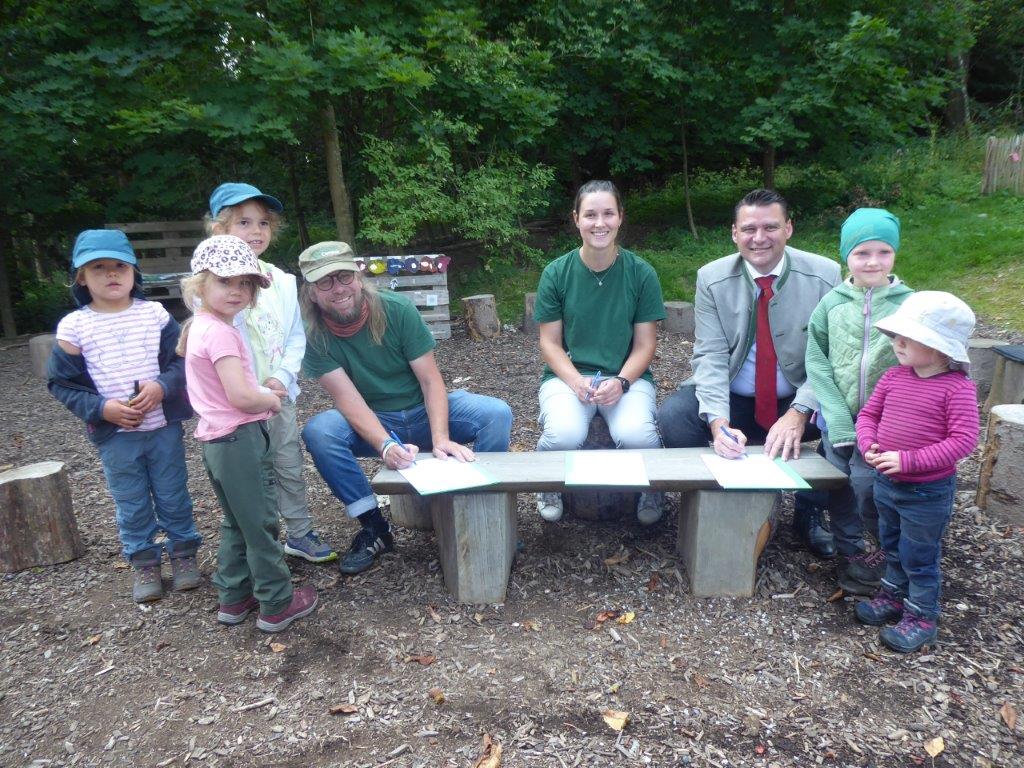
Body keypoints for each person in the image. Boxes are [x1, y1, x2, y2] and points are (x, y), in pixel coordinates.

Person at [298, 241, 513, 574]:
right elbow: (347, 399)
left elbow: (430, 381)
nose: (337, 288)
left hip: (420, 410)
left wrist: (440, 436)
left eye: (343, 276)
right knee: (319, 432)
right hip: (374, 420)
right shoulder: (313, 334)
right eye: (324, 282)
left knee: (496, 414)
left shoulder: (396, 309)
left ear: (358, 277)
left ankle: (476, 506)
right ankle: (374, 527)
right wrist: (385, 444)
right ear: (311, 292)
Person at [656, 188, 841, 557]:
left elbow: (829, 356)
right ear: (734, 233)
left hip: (796, 396)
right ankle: (710, 496)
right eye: (749, 229)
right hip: (735, 397)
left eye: (770, 227)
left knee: (844, 421)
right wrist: (716, 421)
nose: (759, 238)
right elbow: (709, 354)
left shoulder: (825, 275)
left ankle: (811, 511)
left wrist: (800, 412)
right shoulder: (711, 277)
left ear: (788, 228)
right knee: (673, 416)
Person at [47, 229, 201, 603]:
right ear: (81, 277)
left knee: (173, 493)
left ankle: (183, 555)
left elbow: (181, 362)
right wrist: (103, 409)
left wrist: (162, 386)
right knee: (130, 500)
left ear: (134, 272)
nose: (111, 274)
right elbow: (61, 383)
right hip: (116, 435)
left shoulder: (155, 315)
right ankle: (144, 560)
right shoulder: (75, 327)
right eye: (98, 268)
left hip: (161, 426)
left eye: (119, 266)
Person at [180, 235, 317, 633]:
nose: (237, 292)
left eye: (246, 284)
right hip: (239, 439)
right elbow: (241, 396)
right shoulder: (221, 333)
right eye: (226, 282)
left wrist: (259, 391)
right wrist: (270, 400)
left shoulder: (202, 327)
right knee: (259, 524)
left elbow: (228, 389)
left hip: (215, 440)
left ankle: (233, 596)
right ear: (199, 284)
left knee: (235, 521)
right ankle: (276, 602)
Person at [205, 182, 337, 564]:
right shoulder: (209, 284)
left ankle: (299, 532)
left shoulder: (280, 280)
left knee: (287, 462)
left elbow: (296, 336)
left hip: (279, 396)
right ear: (220, 228)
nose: (256, 231)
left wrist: (281, 378)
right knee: (249, 473)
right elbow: (209, 342)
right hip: (235, 403)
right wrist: (245, 389)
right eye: (244, 222)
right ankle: (258, 540)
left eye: (263, 223)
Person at [533, 180, 666, 524]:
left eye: (608, 213)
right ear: (576, 219)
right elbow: (549, 342)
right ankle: (547, 482)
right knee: (564, 434)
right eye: (590, 214)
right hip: (568, 377)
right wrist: (576, 382)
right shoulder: (556, 273)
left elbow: (645, 344)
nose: (599, 223)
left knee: (637, 434)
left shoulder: (641, 273)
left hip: (626, 377)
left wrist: (621, 381)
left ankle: (652, 490)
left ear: (620, 217)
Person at [853, 291, 979, 653]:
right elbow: (868, 415)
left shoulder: (957, 389)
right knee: (890, 543)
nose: (899, 342)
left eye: (911, 337)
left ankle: (923, 615)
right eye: (897, 335)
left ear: (941, 349)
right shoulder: (894, 378)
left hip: (926, 492)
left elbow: (962, 441)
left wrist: (909, 461)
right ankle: (892, 595)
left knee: (919, 555)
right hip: (886, 482)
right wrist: (868, 443)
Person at [805, 208, 913, 596]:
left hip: (888, 424)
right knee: (839, 485)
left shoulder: (910, 305)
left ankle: (886, 554)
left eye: (883, 252)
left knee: (872, 488)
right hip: (838, 417)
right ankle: (850, 554)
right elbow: (816, 360)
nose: (872, 262)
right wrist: (836, 416)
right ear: (845, 256)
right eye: (862, 253)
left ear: (895, 255)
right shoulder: (832, 303)